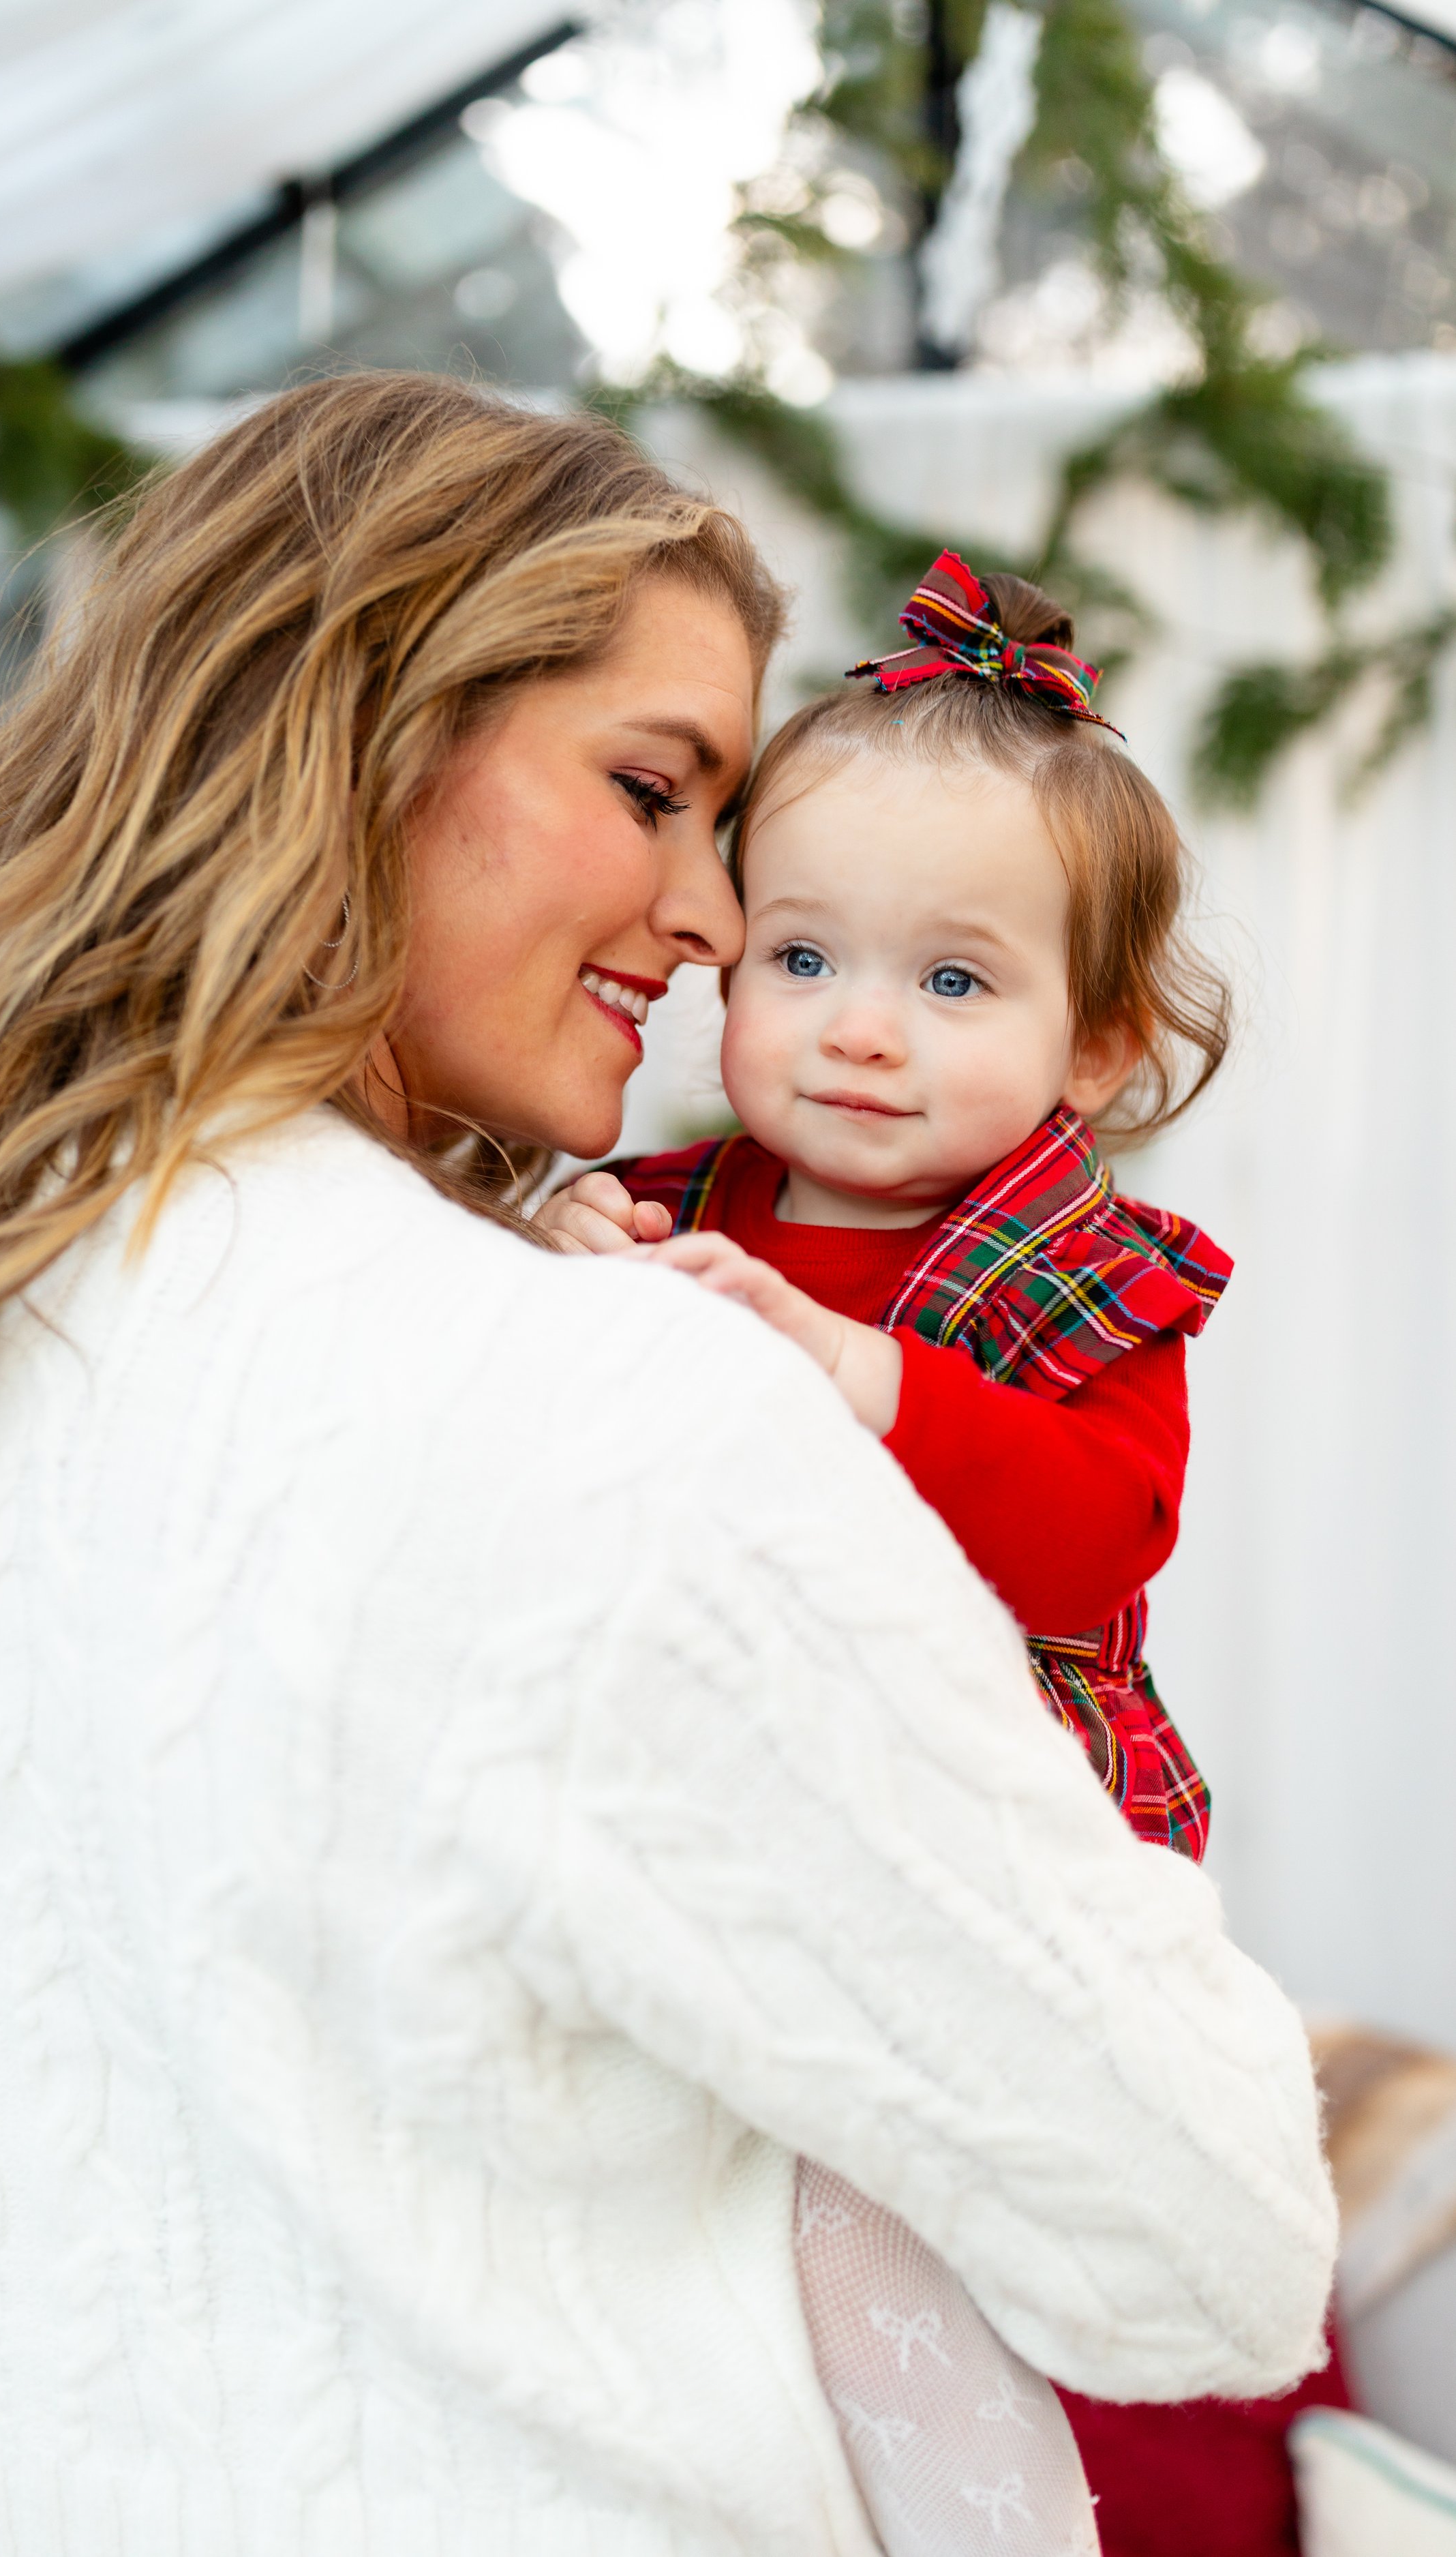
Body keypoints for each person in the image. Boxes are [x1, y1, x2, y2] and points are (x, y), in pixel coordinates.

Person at [0, 380, 1335, 2557]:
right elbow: (1213, 2242)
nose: (714, 919)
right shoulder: (606, 1419)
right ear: (355, 742)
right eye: (649, 789)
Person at [536, 551, 1236, 2553]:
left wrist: (867, 1376)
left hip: (980, 1853)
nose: (859, 1031)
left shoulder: (1090, 1285)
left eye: (952, 983)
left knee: (899, 2294)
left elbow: (1099, 1542)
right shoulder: (655, 1212)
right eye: (802, 958)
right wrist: (551, 1260)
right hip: (705, 1836)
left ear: (1092, 1046)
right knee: (686, 2289)